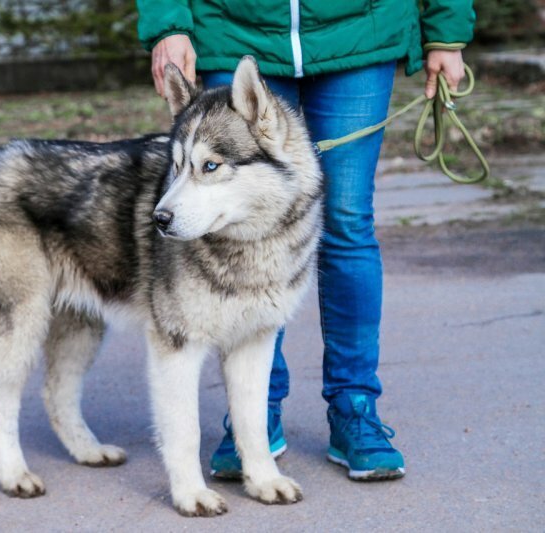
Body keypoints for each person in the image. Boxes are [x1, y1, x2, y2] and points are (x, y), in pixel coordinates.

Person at [137, 0, 474, 480]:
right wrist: (167, 24)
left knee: (348, 224)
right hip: (234, 27)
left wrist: (445, 31)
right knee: (232, 234)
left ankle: (354, 408)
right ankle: (256, 417)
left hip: (360, 29)